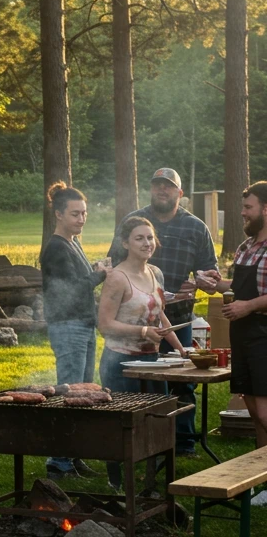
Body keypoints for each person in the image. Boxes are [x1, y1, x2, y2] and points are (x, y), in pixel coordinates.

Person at [111, 167, 219, 458]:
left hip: (178, 318)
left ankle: (182, 443)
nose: (162, 190)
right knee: (141, 382)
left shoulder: (196, 227)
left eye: (168, 186)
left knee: (182, 382)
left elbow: (210, 272)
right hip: (134, 320)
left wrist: (199, 282)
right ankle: (145, 441)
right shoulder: (134, 221)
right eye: (158, 185)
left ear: (179, 193)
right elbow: (115, 262)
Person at [99, 215, 189, 490]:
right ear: (125, 243)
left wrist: (181, 348)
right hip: (121, 361)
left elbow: (159, 315)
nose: (147, 243)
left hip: (152, 361)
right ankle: (117, 479)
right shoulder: (117, 278)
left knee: (157, 421)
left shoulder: (155, 273)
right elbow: (104, 325)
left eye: (150, 237)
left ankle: (151, 478)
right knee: (121, 423)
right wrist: (141, 333)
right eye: (139, 238)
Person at [39, 182, 112, 480]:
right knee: (69, 392)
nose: (81, 219)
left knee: (83, 393)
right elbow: (67, 290)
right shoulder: (56, 247)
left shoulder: (73, 243)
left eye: (84, 213)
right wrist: (100, 275)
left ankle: (74, 455)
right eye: (75, 214)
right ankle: (58, 461)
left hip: (83, 324)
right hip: (67, 325)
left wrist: (93, 270)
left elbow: (79, 279)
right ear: (58, 214)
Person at [211, 182, 267, 506]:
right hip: (241, 337)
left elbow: (253, 296)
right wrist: (215, 284)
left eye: (248, 207)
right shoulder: (246, 246)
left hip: (263, 333)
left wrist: (250, 306)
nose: (243, 212)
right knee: (255, 414)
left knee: (265, 412)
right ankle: (262, 480)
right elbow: (239, 285)